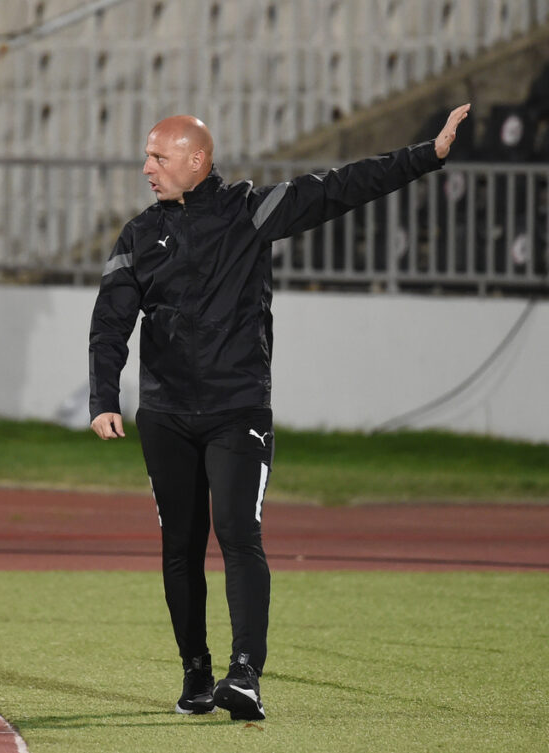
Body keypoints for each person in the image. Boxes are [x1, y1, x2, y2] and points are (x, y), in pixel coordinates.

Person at [88, 104, 471, 720]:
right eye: (148, 156)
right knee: (180, 548)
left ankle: (245, 676)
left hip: (237, 407)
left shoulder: (250, 212)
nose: (146, 168)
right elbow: (109, 324)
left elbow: (341, 187)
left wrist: (427, 155)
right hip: (165, 414)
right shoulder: (137, 235)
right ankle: (195, 673)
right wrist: (105, 397)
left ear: (197, 160)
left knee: (239, 535)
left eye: (158, 157)